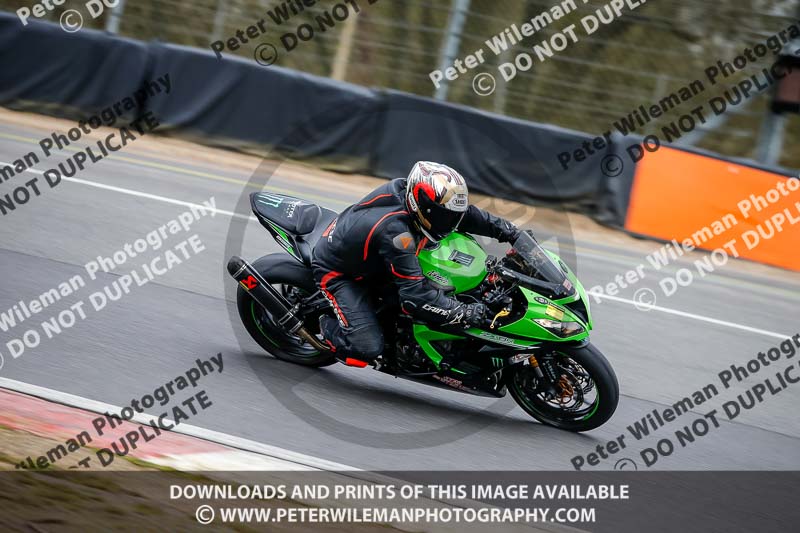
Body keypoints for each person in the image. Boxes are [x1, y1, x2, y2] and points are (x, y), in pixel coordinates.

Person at [311, 161, 519, 366]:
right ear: (421, 205)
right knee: (365, 348)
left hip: (373, 259)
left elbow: (467, 216)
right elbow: (415, 296)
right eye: (443, 216)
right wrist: (463, 312)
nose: (449, 222)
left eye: (451, 216)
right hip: (339, 272)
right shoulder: (396, 233)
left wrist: (512, 233)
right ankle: (323, 324)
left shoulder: (421, 201)